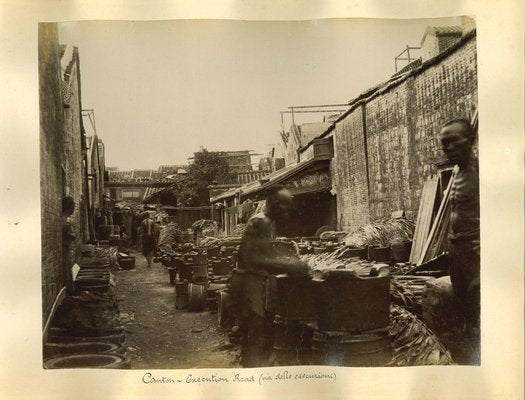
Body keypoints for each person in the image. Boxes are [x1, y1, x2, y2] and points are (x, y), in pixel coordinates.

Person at [230, 184, 309, 367]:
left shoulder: (266, 223)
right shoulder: (261, 221)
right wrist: (292, 266)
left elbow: (263, 257)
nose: (288, 213)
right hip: (248, 284)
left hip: (253, 282)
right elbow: (255, 260)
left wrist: (286, 263)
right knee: (256, 340)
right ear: (274, 204)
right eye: (285, 207)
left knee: (261, 338)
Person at [440, 118, 480, 345]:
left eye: (453, 141)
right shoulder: (455, 171)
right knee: (461, 297)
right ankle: (468, 343)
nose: (448, 148)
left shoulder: (483, 172)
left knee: (479, 297)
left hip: (475, 249)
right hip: (457, 249)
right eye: (444, 143)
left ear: (470, 141)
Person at [62, 196, 76, 294]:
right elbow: (68, 233)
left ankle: (70, 288)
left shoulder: (65, 218)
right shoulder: (65, 220)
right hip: (64, 247)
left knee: (68, 267)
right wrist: (72, 234)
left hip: (66, 246)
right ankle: (69, 289)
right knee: (66, 268)